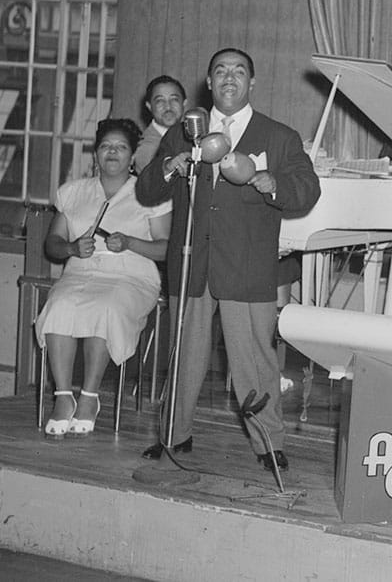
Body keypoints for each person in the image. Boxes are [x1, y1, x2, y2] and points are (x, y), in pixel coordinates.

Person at [136, 48, 321, 472]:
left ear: (252, 83)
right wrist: (169, 166)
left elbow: (307, 189)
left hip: (247, 266)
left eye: (239, 72)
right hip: (191, 263)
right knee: (183, 355)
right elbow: (147, 192)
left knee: (256, 360)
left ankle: (268, 443)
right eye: (220, 71)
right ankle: (173, 436)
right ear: (209, 81)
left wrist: (274, 182)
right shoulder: (184, 132)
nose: (229, 78)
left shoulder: (278, 136)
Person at [37, 119, 171, 437]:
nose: (113, 152)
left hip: (132, 275)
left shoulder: (150, 194)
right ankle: (63, 396)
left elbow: (166, 249)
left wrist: (130, 243)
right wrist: (72, 246)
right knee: (60, 304)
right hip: (81, 271)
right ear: (96, 153)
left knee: (105, 306)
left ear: (132, 155)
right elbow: (52, 245)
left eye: (121, 147)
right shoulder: (73, 192)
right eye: (106, 146)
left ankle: (89, 397)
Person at [134, 75, 187, 175]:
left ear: (184, 103)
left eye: (174, 99)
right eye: (160, 101)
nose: (168, 106)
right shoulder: (144, 148)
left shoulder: (193, 136)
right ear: (149, 106)